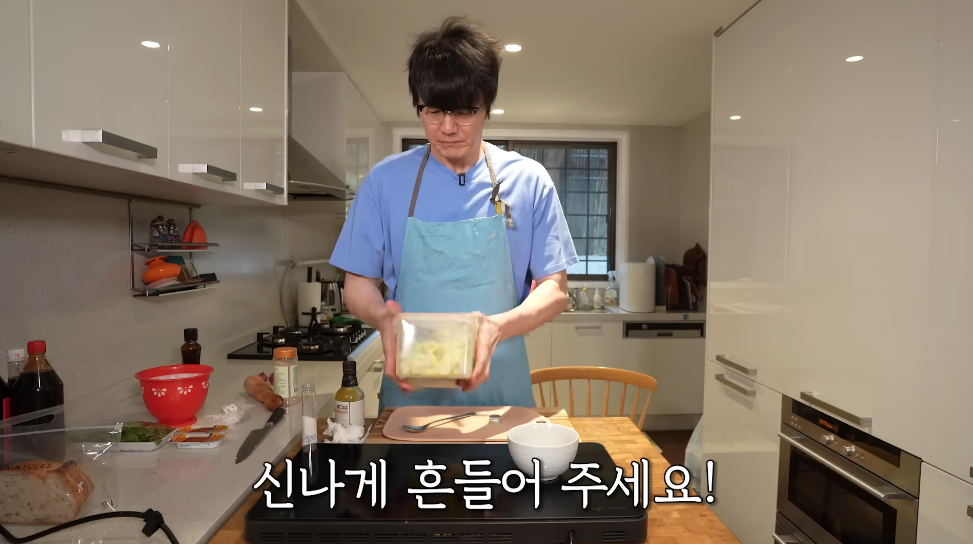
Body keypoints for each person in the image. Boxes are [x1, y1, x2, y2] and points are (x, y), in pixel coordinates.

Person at [329, 16, 577, 412]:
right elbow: (357, 284)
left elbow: (555, 289)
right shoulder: (385, 182)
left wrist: (497, 327)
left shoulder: (529, 181)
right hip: (410, 398)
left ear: (487, 106)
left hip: (501, 395)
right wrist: (383, 318)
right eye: (432, 111)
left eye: (463, 111)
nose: (447, 127)